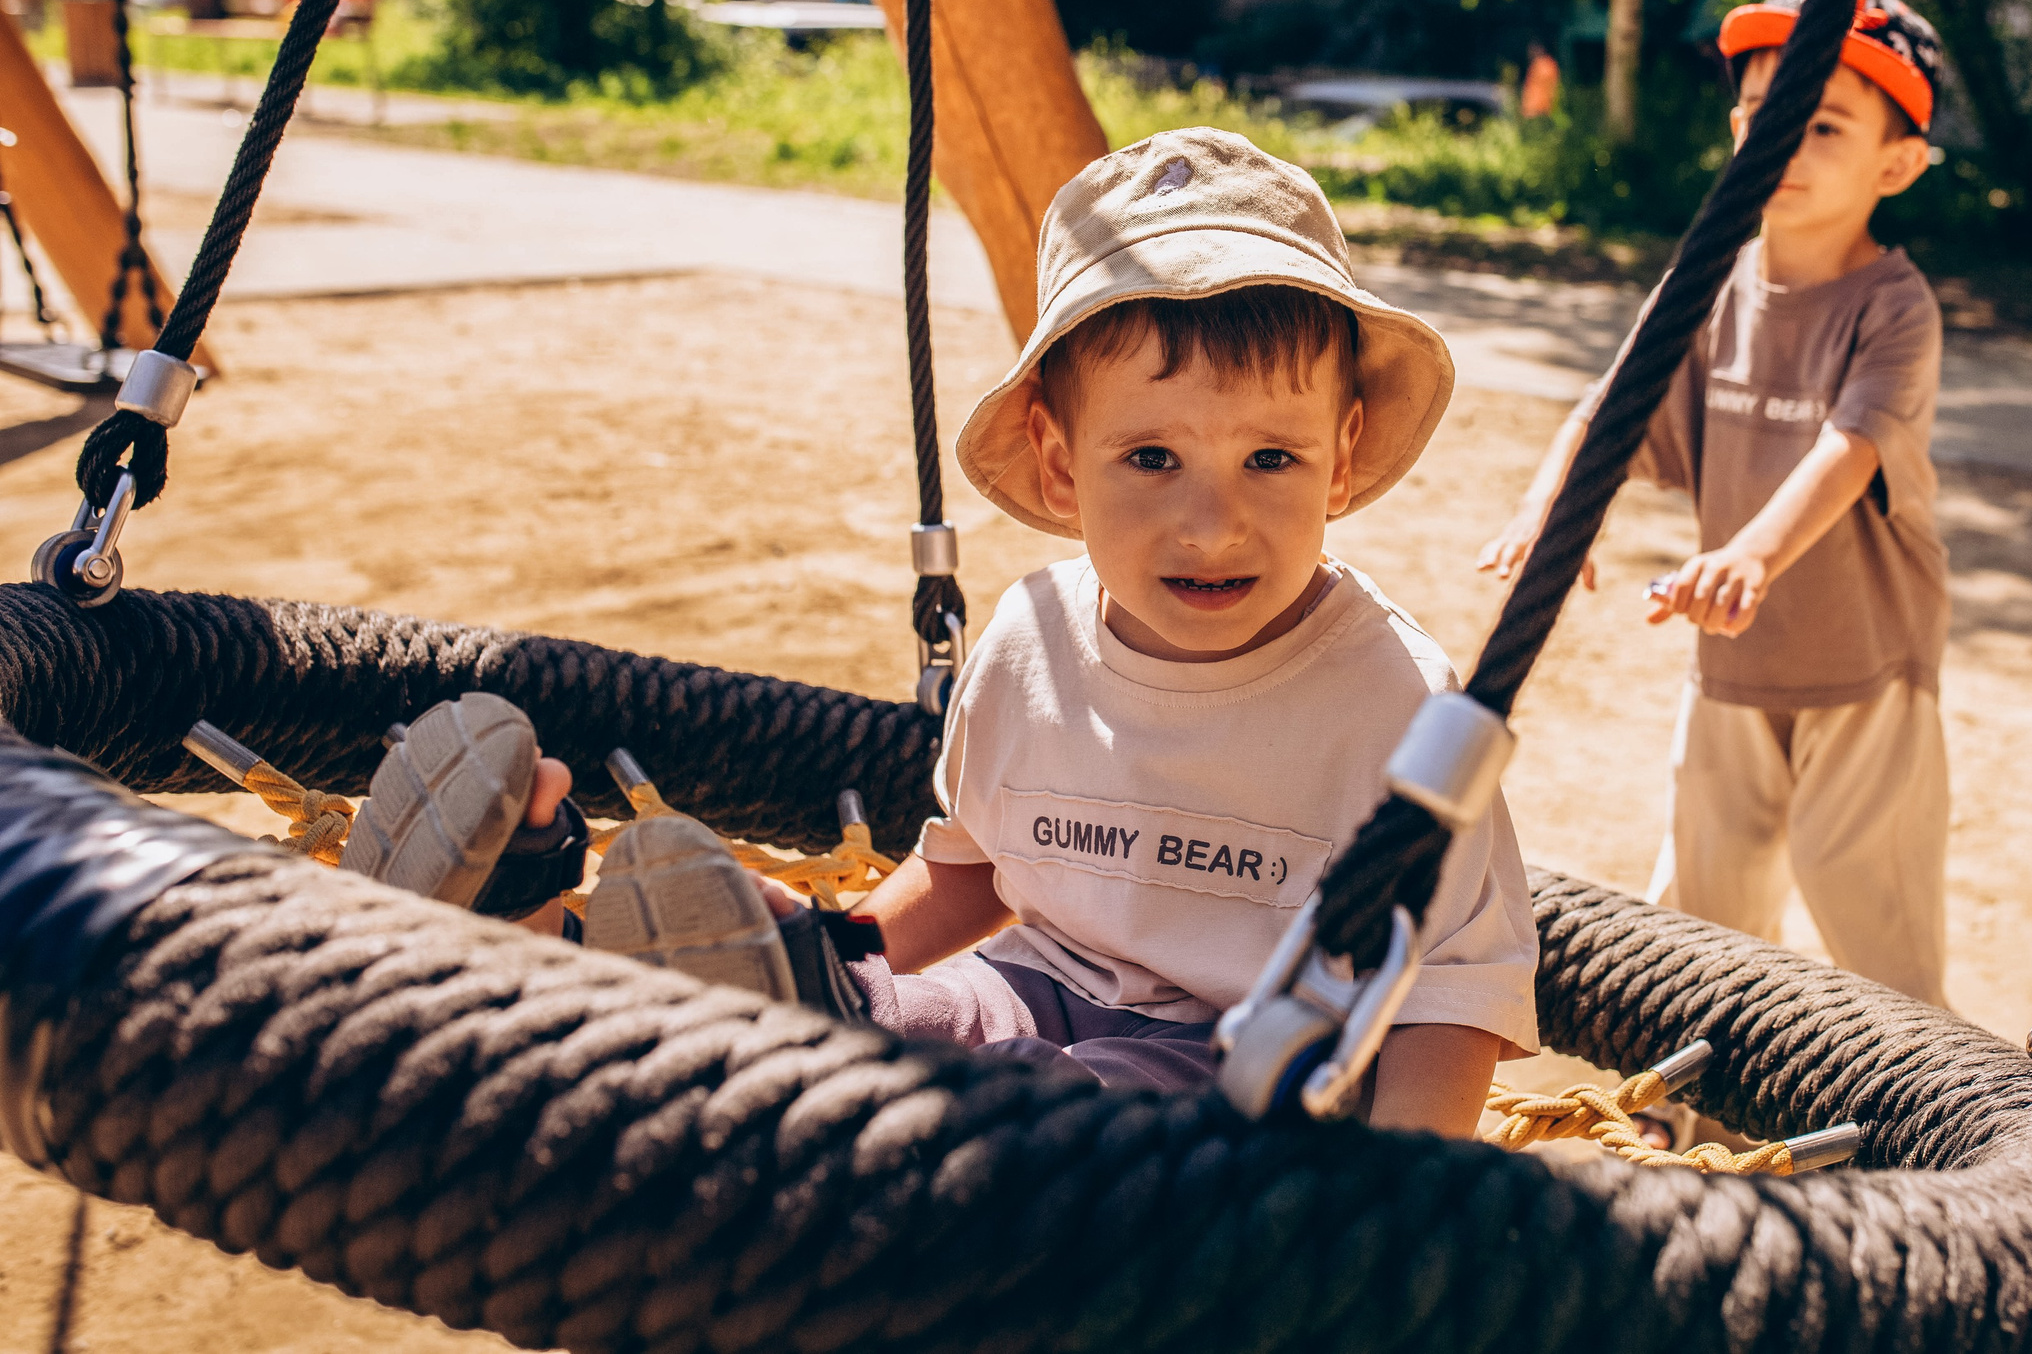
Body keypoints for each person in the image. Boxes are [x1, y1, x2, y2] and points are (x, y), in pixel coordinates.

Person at [343, 127, 1539, 1139]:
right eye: (1152, 458)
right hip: (1027, 998)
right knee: (878, 1004)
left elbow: (1452, 995)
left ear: (1342, 458)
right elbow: (969, 877)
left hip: (1240, 1080)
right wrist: (851, 941)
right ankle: (545, 921)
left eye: (1270, 458)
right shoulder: (1029, 643)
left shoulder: (1402, 708)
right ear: (1062, 466)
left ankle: (730, 1036)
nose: (1213, 521)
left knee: (1016, 1111)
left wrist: (1397, 1207)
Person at [1479, 0, 1953, 1007]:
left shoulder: (1893, 305)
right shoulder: (1705, 284)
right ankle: (1693, 1117)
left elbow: (1851, 445)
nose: (1780, 138)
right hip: (1730, 667)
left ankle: (1914, 1132)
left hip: (1863, 672)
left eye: (1821, 124)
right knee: (1702, 915)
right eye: (1760, 113)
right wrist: (1549, 509)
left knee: (1873, 924)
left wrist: (1751, 555)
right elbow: (1609, 412)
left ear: (1898, 163)